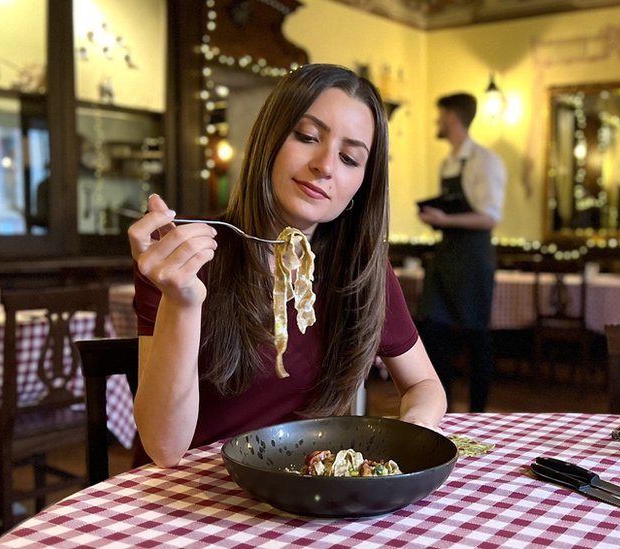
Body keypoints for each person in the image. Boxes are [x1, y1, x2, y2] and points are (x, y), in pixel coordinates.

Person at [127, 64, 446, 468]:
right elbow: (165, 448)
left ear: (360, 187)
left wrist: (414, 427)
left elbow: (424, 384)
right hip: (194, 494)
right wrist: (183, 302)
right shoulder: (186, 260)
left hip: (309, 495)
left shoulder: (359, 269)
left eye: (349, 158)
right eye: (308, 137)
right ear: (270, 142)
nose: (326, 165)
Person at [417, 92, 506, 412]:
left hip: (473, 258)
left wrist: (446, 218)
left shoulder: (486, 161)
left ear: (452, 117)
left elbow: (490, 216)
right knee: (433, 329)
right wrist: (435, 219)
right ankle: (443, 409)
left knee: (476, 337)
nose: (436, 122)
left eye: (439, 115)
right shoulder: (448, 162)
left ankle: (478, 412)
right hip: (445, 256)